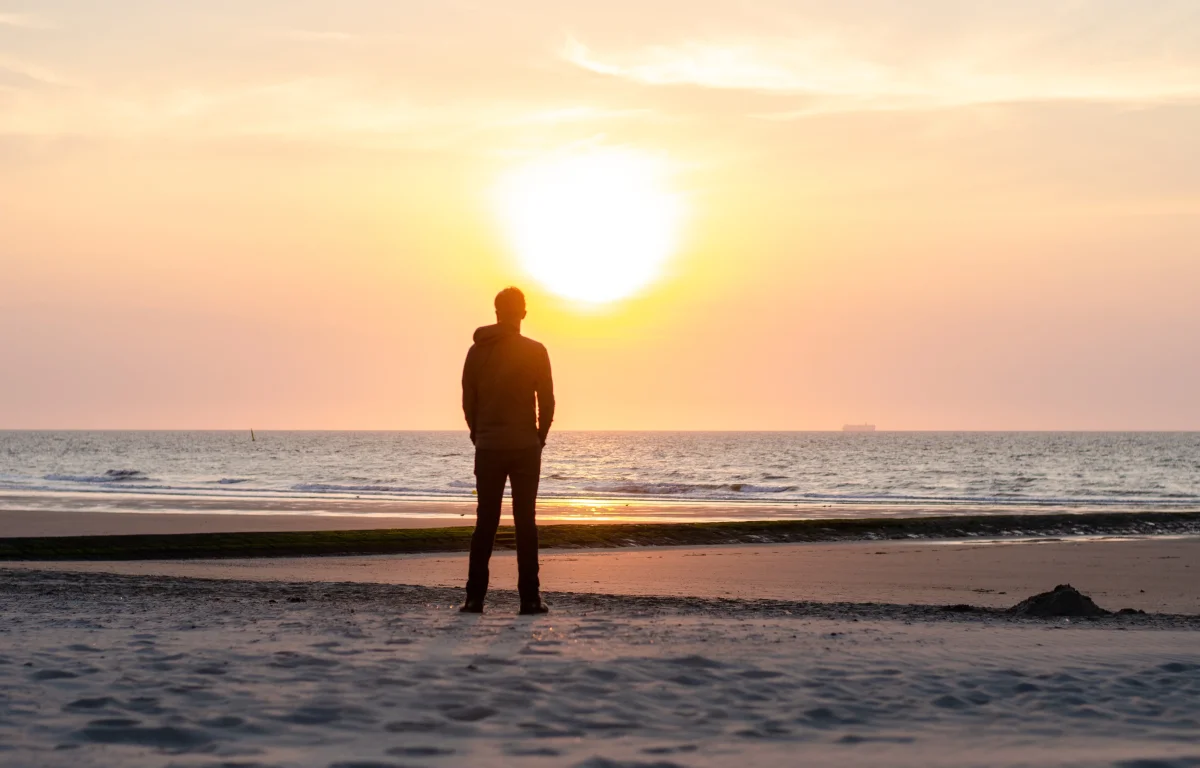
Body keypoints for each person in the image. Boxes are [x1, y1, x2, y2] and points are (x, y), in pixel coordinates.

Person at [460, 287, 554, 615]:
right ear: (523, 314)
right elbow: (548, 401)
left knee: (485, 523)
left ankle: (475, 599)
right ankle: (529, 599)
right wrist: (539, 437)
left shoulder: (477, 352)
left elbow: (468, 402)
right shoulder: (535, 351)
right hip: (525, 446)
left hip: (489, 446)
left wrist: (479, 434)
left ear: (497, 312)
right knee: (525, 523)